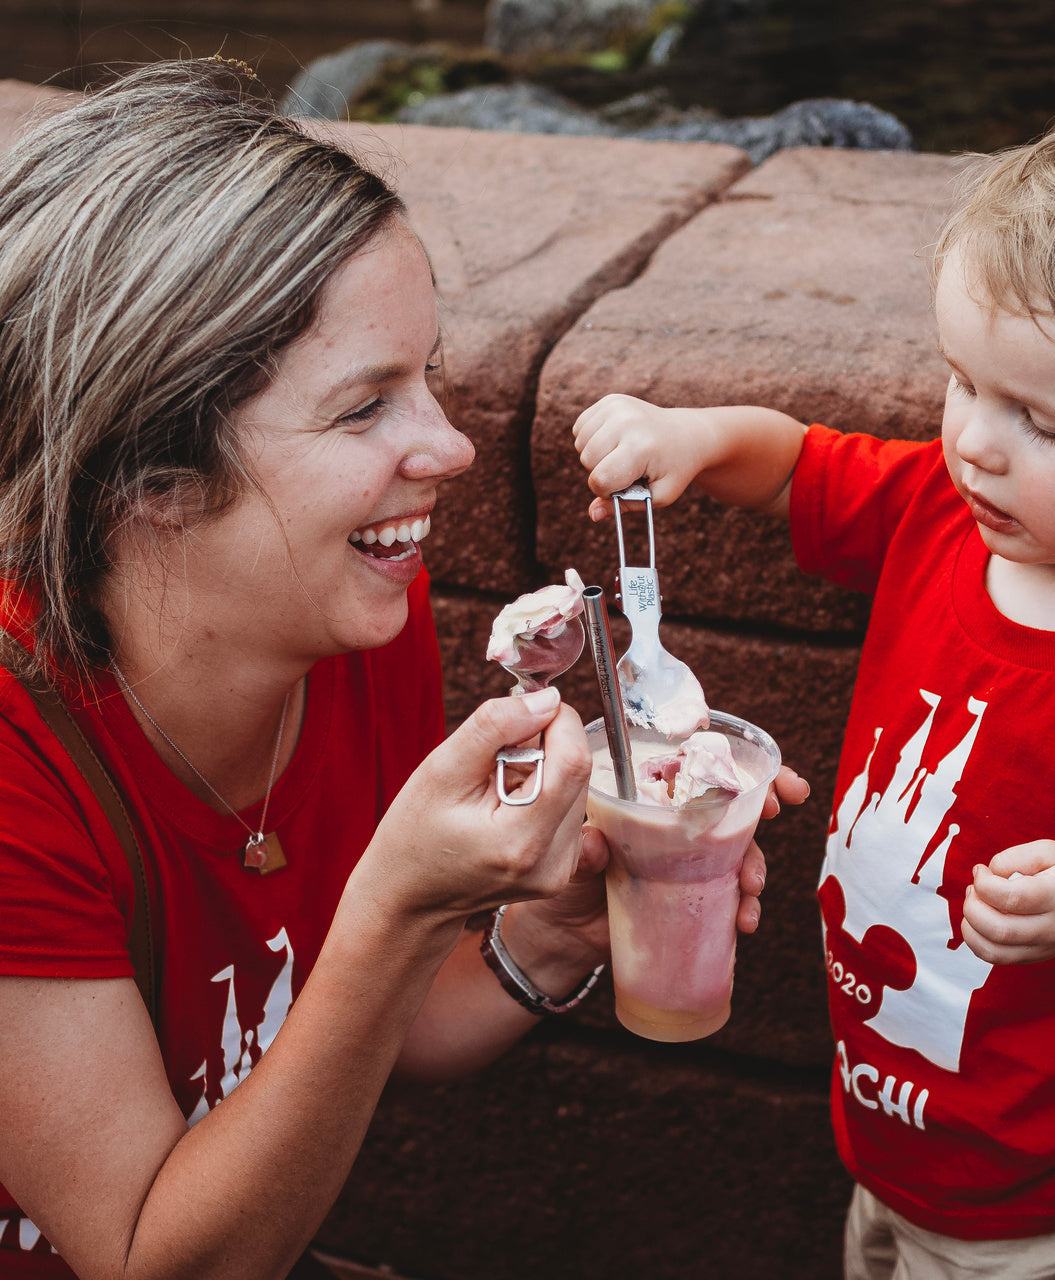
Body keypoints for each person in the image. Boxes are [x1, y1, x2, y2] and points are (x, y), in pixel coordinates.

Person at [0, 62, 802, 1279]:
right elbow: (156, 1260)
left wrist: (550, 931)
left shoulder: (350, 614)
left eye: (425, 375)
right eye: (365, 406)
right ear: (149, 479)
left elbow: (391, 1019)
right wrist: (392, 901)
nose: (451, 444)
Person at [573, 97, 1055, 1279]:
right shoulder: (937, 517)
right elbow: (799, 463)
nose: (976, 444)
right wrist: (691, 432)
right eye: (961, 384)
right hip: (897, 1125)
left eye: (1042, 423)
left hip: (1053, 1193)